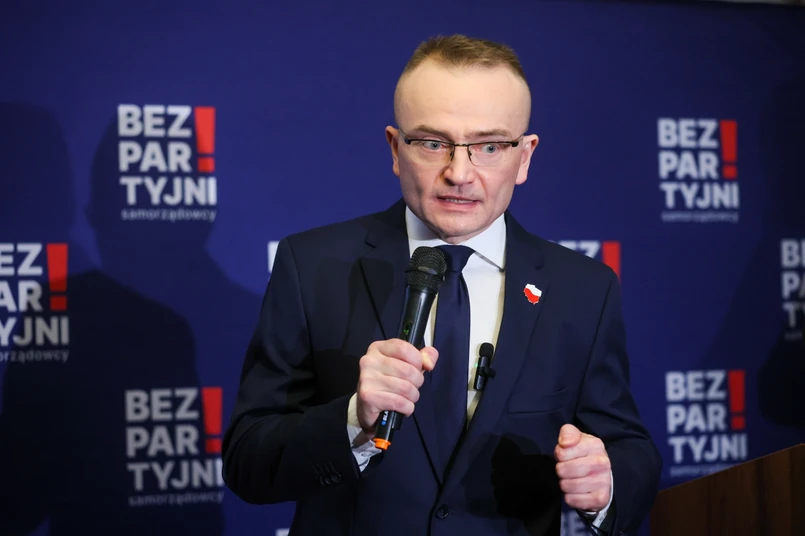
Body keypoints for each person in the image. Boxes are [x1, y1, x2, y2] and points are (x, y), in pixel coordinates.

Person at [222, 34, 661, 535]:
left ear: (524, 156)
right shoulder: (312, 265)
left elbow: (630, 448)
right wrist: (354, 418)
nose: (459, 173)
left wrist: (606, 483)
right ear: (395, 148)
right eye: (433, 143)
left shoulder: (583, 289)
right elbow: (248, 460)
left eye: (489, 146)